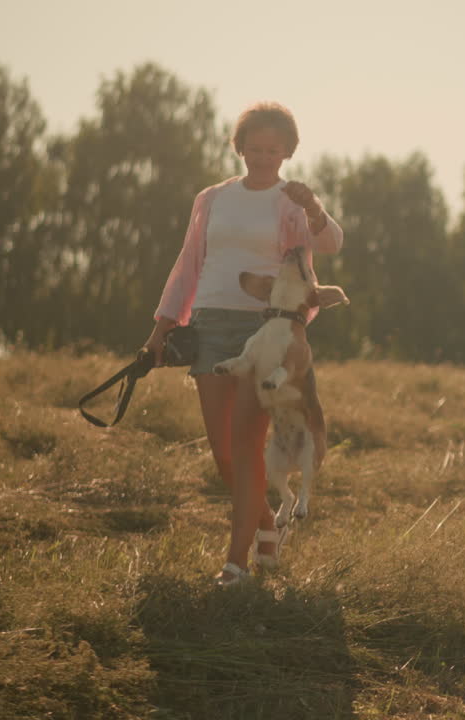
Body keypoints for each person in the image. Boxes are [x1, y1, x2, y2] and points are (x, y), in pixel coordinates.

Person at [143, 101, 343, 586]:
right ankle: (268, 526)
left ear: (288, 152)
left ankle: (236, 563)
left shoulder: (290, 201)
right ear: (240, 147)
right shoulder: (211, 199)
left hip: (265, 328)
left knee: (246, 445)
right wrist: (162, 326)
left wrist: (314, 207)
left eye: (273, 149)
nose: (263, 157)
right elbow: (188, 263)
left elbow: (332, 244)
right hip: (209, 324)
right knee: (223, 454)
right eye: (254, 148)